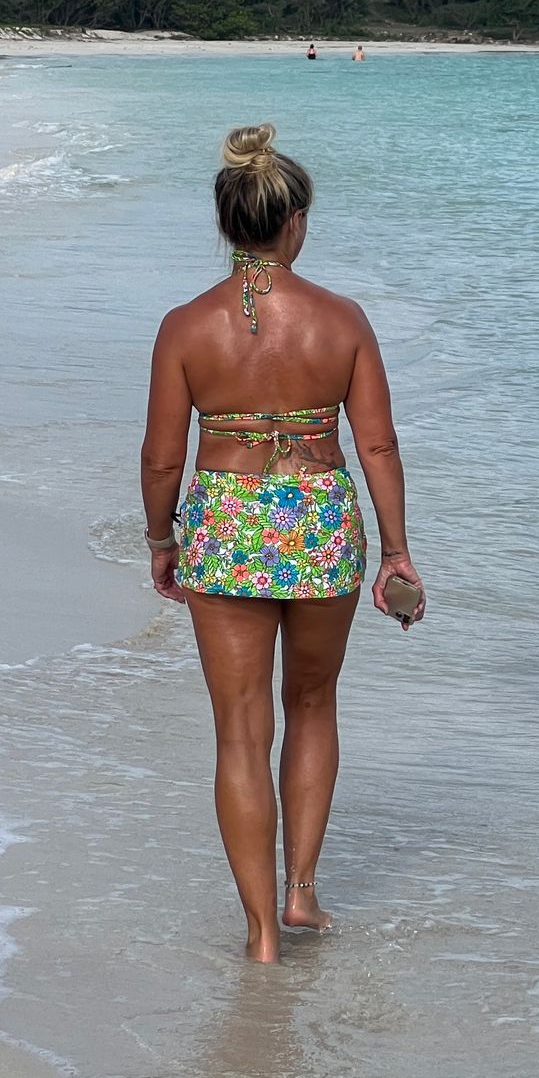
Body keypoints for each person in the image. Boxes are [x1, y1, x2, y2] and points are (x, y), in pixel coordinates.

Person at [139, 122, 425, 962]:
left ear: (228, 221)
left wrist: (163, 539)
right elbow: (378, 446)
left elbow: (162, 456)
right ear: (294, 220)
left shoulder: (185, 325)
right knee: (312, 703)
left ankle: (260, 934)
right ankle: (301, 894)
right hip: (321, 520)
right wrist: (398, 553)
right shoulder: (342, 320)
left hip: (225, 520)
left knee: (238, 728)